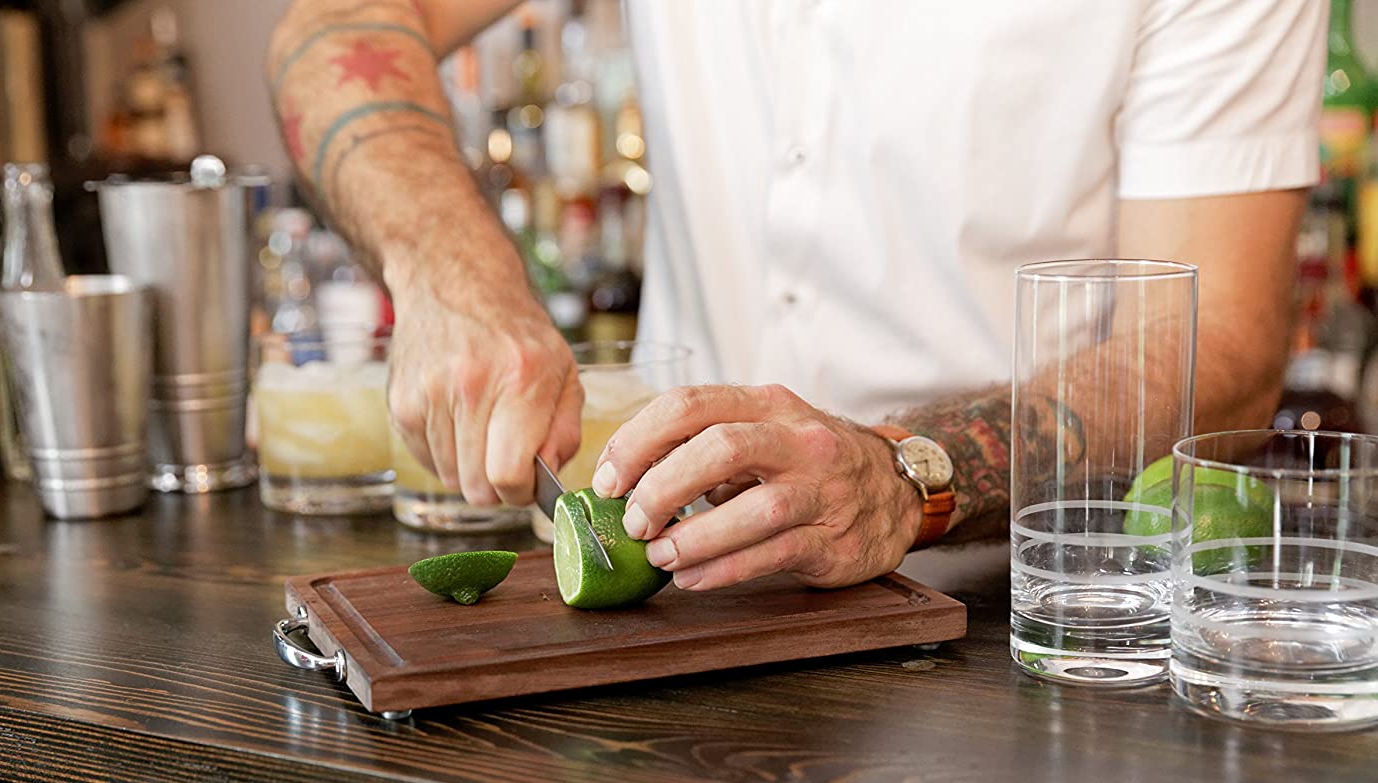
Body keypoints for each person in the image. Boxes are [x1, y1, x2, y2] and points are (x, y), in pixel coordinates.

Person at [267, 0, 1323, 590]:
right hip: (672, 612)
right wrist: (455, 274)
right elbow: (337, 26)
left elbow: (1216, 348)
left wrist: (908, 475)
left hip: (1021, 631)